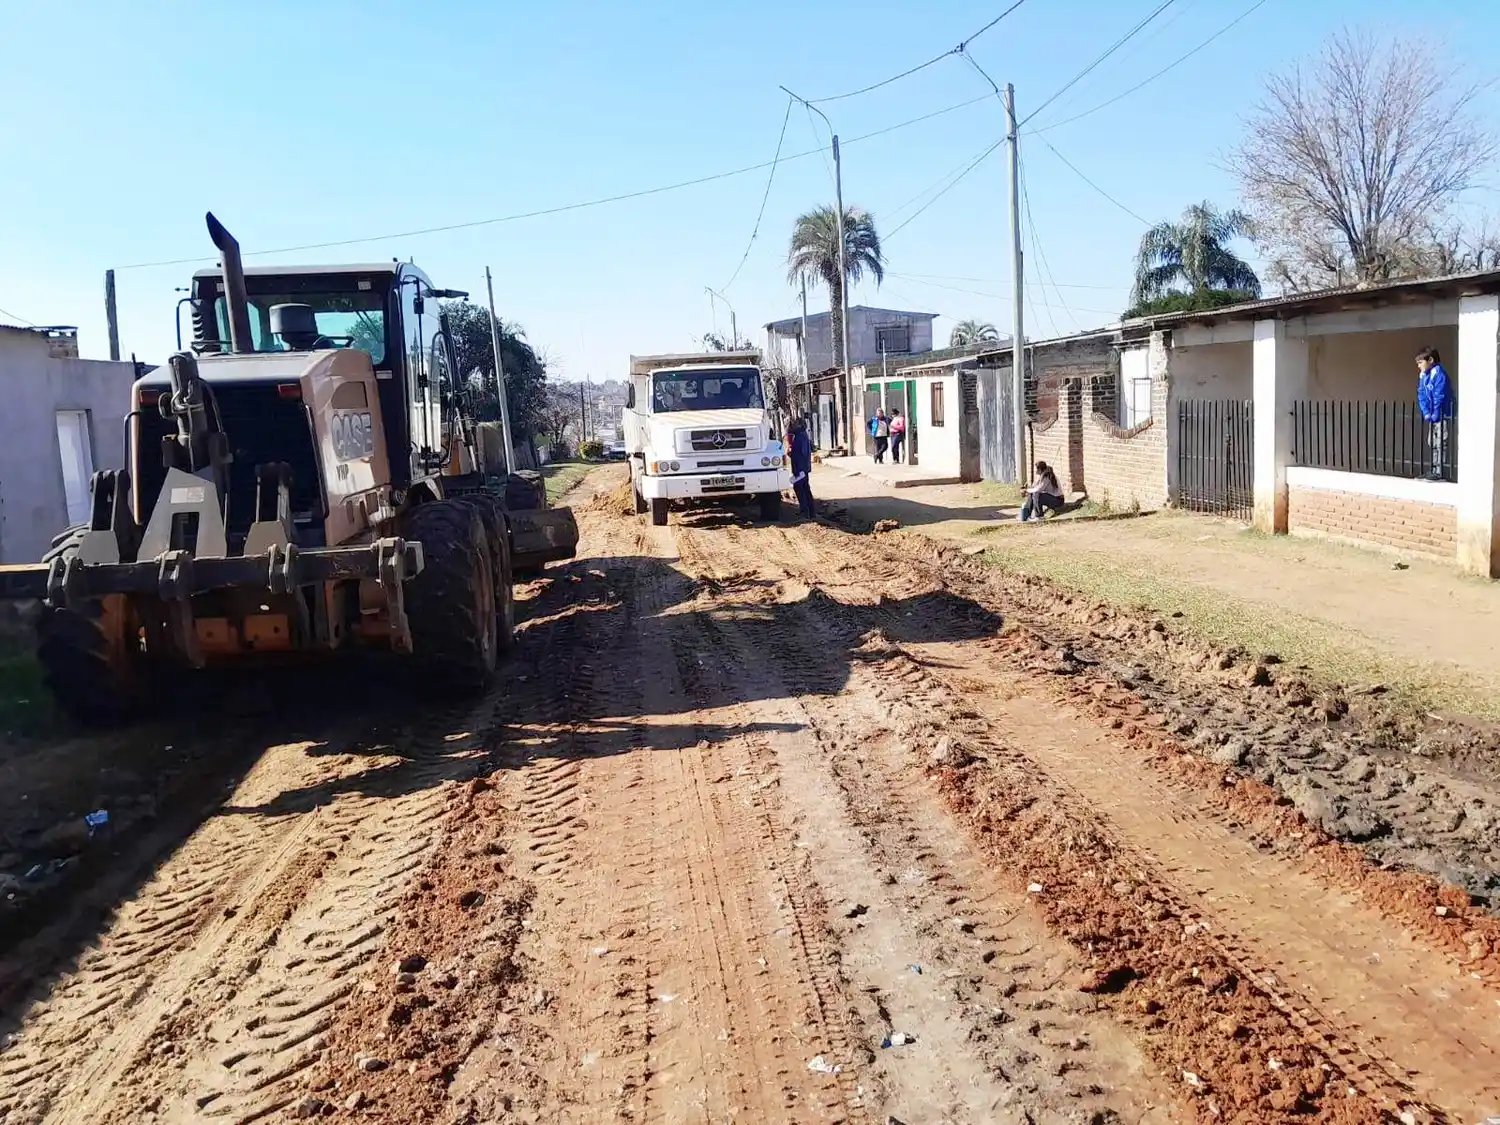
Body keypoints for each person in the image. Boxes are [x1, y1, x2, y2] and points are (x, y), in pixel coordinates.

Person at [1416, 346, 1452, 481]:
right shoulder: (1424, 377)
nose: (1419, 366)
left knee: (1441, 442)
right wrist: (1426, 411)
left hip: (1443, 414)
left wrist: (1437, 411)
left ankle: (1439, 471)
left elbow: (1439, 395)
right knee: (1432, 442)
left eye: (1420, 363)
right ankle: (1433, 469)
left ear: (1430, 360)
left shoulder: (1439, 375)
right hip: (1432, 415)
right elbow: (1421, 394)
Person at [788, 417, 815, 519]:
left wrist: (798, 470)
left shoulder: (800, 437)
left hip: (801, 469)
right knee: (804, 488)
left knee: (800, 488)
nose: (792, 426)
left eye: (794, 424)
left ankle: (805, 511)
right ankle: (810, 512)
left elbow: (802, 454)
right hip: (803, 468)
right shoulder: (801, 436)